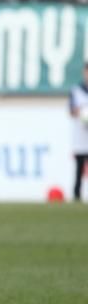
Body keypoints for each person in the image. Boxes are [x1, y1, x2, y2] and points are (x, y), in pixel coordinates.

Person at [69, 62, 88, 203]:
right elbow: (71, 110)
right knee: (79, 169)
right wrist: (81, 112)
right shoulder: (76, 91)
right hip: (81, 137)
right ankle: (77, 195)